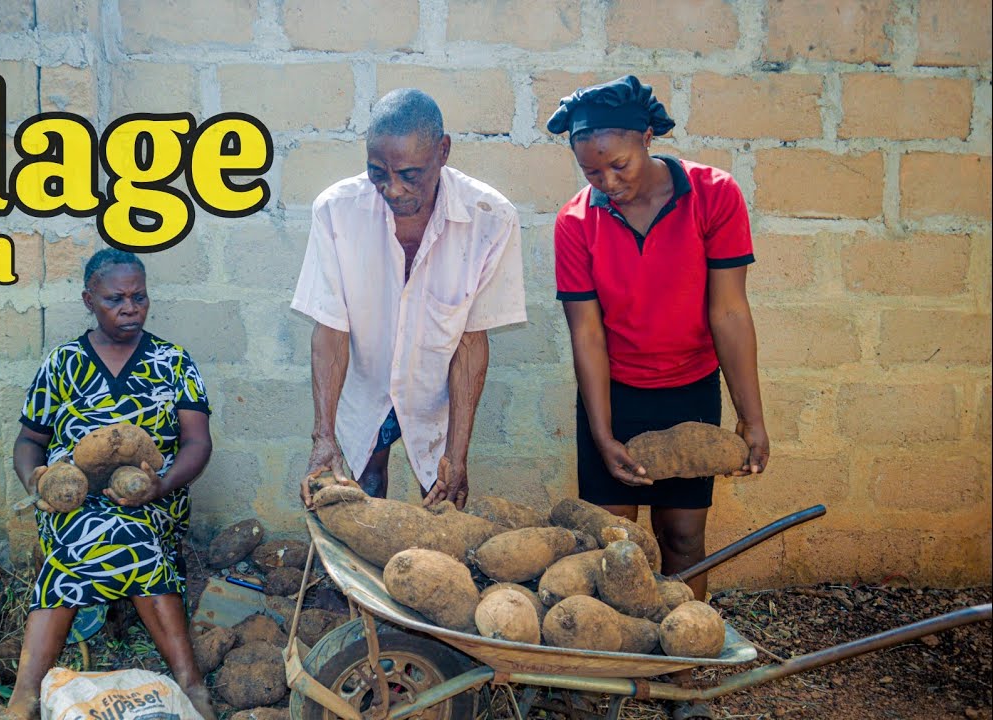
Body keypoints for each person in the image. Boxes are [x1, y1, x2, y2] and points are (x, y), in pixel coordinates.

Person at [547, 75, 769, 720]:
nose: (608, 182)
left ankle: (683, 673)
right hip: (613, 395)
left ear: (648, 138)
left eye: (619, 164)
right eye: (592, 173)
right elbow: (586, 333)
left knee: (683, 538)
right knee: (612, 544)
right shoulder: (575, 223)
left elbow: (729, 312)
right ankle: (607, 675)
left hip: (690, 390)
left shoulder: (713, 195)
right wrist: (604, 432)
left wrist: (751, 420)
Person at [292, 88, 527, 510]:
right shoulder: (336, 210)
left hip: (435, 393)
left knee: (441, 503)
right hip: (365, 385)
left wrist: (457, 452)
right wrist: (323, 437)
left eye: (410, 175)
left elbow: (472, 342)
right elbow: (330, 329)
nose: (393, 189)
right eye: (377, 172)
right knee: (360, 496)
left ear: (444, 151)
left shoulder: (490, 218)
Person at [6, 248, 215, 720]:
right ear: (88, 300)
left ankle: (189, 681)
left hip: (151, 496)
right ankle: (25, 694)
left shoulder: (173, 361)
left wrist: (161, 486)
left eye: (138, 297)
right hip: (71, 499)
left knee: (129, 527)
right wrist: (37, 481)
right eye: (115, 298)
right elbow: (28, 441)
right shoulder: (61, 363)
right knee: (85, 528)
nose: (129, 308)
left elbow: (197, 444)